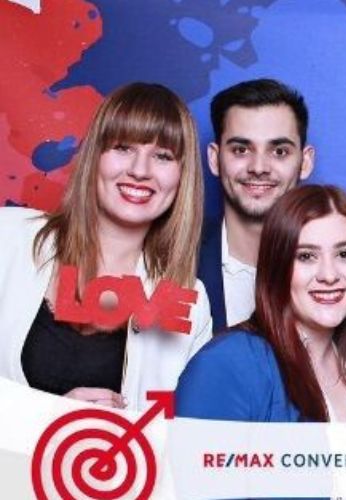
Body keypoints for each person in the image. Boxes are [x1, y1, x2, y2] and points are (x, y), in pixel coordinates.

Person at [0, 82, 212, 411]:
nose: (140, 171)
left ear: (182, 176)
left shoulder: (191, 303)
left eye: (162, 156)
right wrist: (46, 417)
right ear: (95, 155)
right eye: (123, 148)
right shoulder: (8, 238)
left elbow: (178, 432)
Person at [176, 186, 346, 422]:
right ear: (276, 267)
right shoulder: (227, 363)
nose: (329, 275)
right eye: (306, 256)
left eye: (344, 254)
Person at [199, 78, 315, 333]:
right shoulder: (171, 262)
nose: (259, 167)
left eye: (279, 151)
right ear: (215, 159)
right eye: (241, 150)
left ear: (305, 162)